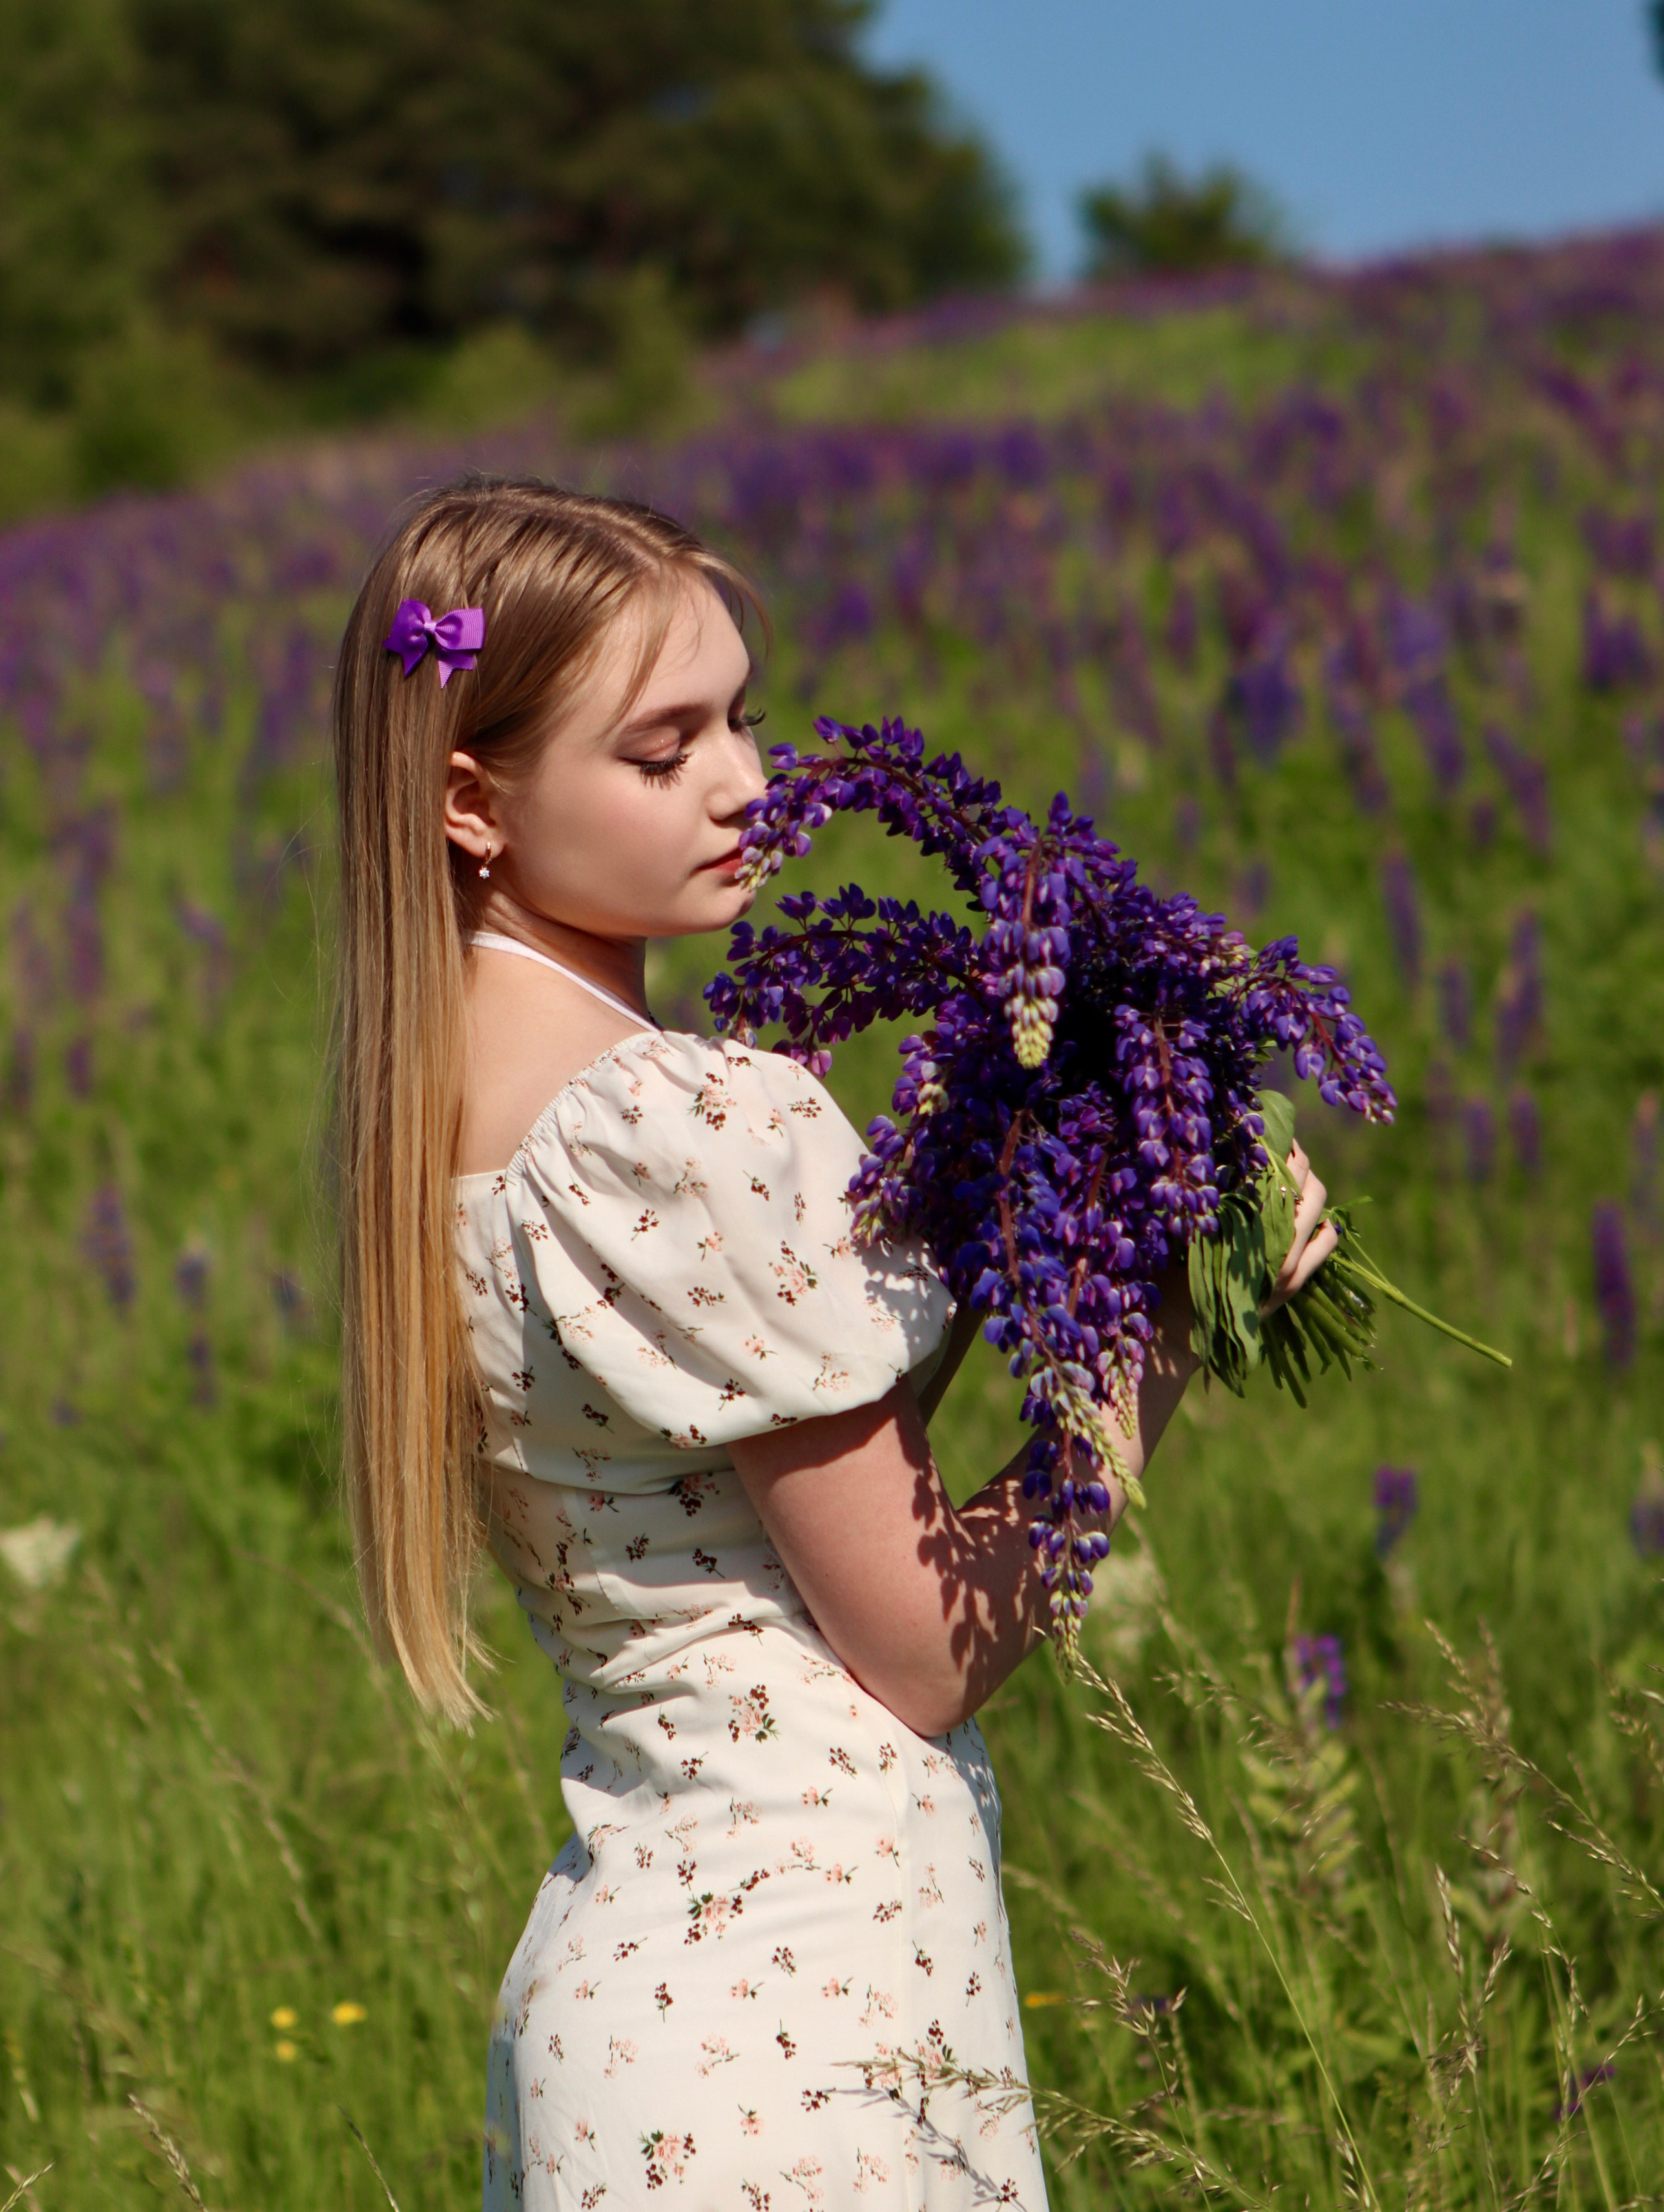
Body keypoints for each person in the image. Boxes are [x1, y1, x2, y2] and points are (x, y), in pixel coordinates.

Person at [329, 477, 1337, 2209]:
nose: (747, 782)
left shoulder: (444, 1126)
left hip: (634, 2015)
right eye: (662, 750)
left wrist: (1006, 1178)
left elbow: (743, 1433)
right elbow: (924, 1650)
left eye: (744, 717)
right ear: (471, 801)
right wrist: (1165, 1321)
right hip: (801, 2023)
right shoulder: (686, 1118)